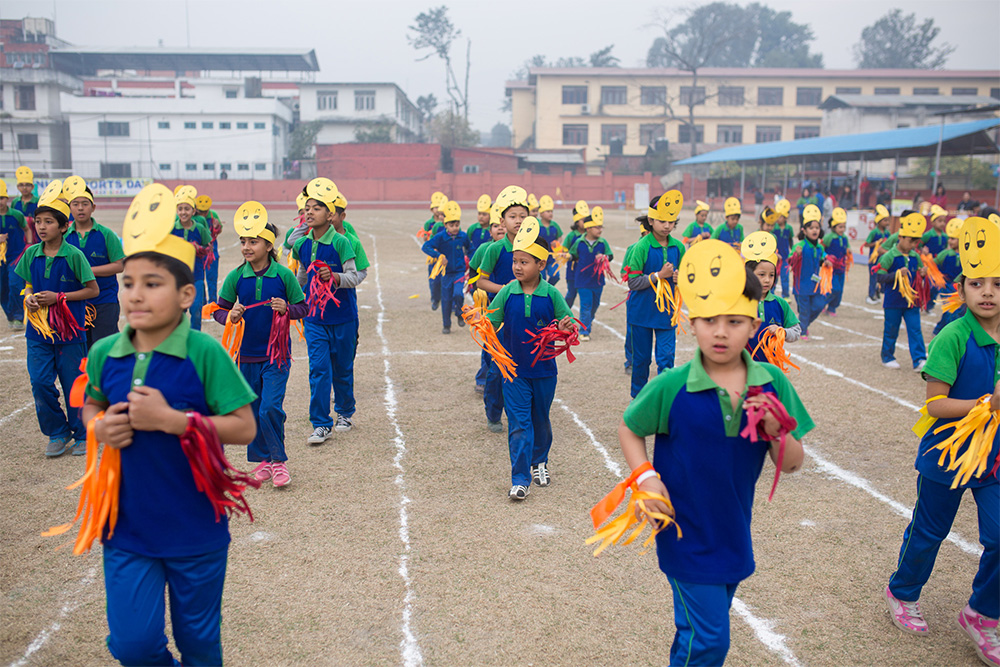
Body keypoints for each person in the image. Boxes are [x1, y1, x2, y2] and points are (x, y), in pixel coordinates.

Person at [81, 183, 257, 665]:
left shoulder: (204, 352)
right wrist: (99, 428)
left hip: (195, 528)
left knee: (199, 643)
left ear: (185, 295)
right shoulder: (105, 352)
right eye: (128, 283)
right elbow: (92, 406)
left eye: (152, 284)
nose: (136, 295)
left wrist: (175, 421)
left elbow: (244, 427)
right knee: (133, 646)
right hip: (127, 529)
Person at [617, 239, 812, 666]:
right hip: (684, 535)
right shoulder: (672, 386)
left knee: (697, 633)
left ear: (755, 323)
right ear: (692, 323)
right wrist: (646, 478)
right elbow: (630, 428)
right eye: (709, 320)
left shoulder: (772, 384)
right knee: (710, 641)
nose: (721, 332)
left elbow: (793, 464)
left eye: (734, 321)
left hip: (733, 533)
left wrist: (778, 432)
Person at [884, 215, 999, 666]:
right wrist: (987, 403)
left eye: (997, 283)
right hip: (947, 454)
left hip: (993, 458)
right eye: (977, 283)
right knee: (930, 532)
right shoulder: (953, 336)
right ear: (962, 288)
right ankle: (902, 592)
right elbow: (935, 405)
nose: (987, 292)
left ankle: (982, 613)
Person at [213, 207, 306, 488]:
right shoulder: (236, 277)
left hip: (277, 355)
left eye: (253, 242)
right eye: (243, 241)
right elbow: (218, 310)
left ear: (268, 245)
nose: (246, 247)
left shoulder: (283, 275)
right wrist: (230, 316)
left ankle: (279, 461)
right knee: (253, 410)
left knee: (270, 407)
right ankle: (263, 459)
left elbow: (303, 307)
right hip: (246, 357)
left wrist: (287, 309)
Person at [484, 221, 575, 500]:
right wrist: (482, 324)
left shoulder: (552, 294)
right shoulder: (507, 292)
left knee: (540, 419)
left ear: (541, 264)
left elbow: (568, 324)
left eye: (524, 262)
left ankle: (540, 462)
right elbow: (491, 323)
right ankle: (520, 478)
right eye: (515, 261)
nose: (517, 267)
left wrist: (566, 327)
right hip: (514, 372)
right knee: (519, 424)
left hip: (545, 371)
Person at [16, 183, 98, 457]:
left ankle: (83, 433)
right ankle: (57, 432)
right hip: (38, 331)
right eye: (39, 221)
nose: (41, 227)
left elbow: (92, 290)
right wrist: (28, 296)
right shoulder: (31, 253)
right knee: (40, 382)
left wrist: (59, 297)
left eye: (49, 222)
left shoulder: (74, 255)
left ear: (64, 227)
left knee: (74, 382)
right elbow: (28, 283)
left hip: (70, 331)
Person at [292, 178, 362, 444]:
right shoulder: (302, 245)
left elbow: (354, 277)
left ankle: (344, 411)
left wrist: (334, 277)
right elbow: (301, 277)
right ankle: (321, 423)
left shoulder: (342, 242)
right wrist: (292, 299)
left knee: (342, 368)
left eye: (317, 208)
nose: (309, 212)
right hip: (314, 319)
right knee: (319, 369)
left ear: (330, 214)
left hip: (343, 317)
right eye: (307, 208)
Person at [474, 186, 530, 432]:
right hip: (498, 319)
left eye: (523, 216)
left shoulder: (533, 247)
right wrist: (505, 289)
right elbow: (481, 282)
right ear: (502, 220)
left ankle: (521, 411)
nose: (518, 221)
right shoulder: (494, 249)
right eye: (512, 216)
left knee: (524, 366)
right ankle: (494, 413)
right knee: (496, 370)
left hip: (526, 318)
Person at [622, 192, 685, 398]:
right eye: (662, 221)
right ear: (651, 221)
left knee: (666, 358)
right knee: (641, 360)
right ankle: (638, 399)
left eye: (671, 222)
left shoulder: (679, 247)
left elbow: (687, 278)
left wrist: (680, 278)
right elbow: (633, 282)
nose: (667, 226)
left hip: (666, 314)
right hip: (641, 313)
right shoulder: (642, 246)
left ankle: (663, 399)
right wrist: (659, 275)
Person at [62, 177, 125, 348]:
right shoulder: (64, 237)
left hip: (104, 300)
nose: (80, 208)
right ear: (69, 208)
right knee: (81, 348)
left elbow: (119, 265)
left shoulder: (106, 234)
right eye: (75, 204)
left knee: (105, 347)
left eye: (85, 204)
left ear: (93, 207)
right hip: (74, 301)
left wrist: (89, 271)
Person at [876, 211, 928, 370]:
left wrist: (922, 274)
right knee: (891, 329)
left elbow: (918, 275)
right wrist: (896, 274)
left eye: (916, 242)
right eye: (911, 241)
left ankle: (919, 359)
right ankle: (887, 357)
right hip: (893, 301)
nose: (913, 245)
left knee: (915, 329)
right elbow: (880, 277)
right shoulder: (889, 256)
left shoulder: (915, 256)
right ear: (901, 237)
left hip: (912, 300)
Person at [741, 232, 801, 362]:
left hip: (772, 366)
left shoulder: (780, 303)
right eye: (761, 275)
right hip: (744, 366)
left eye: (771, 275)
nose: (767, 280)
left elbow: (796, 331)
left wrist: (782, 332)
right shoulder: (740, 302)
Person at [468, 208, 506, 395]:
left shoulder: (516, 248)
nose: (500, 229)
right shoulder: (484, 249)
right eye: (495, 226)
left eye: (502, 225)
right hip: (489, 304)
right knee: (489, 342)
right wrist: (476, 291)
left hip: (510, 303)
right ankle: (483, 379)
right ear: (490, 230)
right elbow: (473, 270)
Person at [422, 200, 471, 334]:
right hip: (446, 274)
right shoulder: (440, 237)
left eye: (457, 225)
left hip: (459, 272)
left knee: (458, 294)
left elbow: (470, 249)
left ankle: (459, 313)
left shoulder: (463, 236)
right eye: (451, 225)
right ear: (445, 225)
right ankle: (446, 325)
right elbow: (426, 246)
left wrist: (471, 261)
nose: (455, 228)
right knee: (446, 299)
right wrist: (438, 256)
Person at [568, 205, 613, 342]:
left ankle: (587, 321)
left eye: (601, 227)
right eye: (597, 227)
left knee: (594, 305)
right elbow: (573, 255)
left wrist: (605, 257)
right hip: (582, 281)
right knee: (586, 305)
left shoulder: (603, 243)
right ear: (588, 228)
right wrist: (567, 256)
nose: (600, 230)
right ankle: (584, 331)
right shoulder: (579, 242)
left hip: (597, 281)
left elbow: (610, 256)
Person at [171, 187, 212, 332]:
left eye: (187, 209)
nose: (183, 212)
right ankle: (178, 335)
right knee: (177, 310)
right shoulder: (171, 228)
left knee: (196, 309)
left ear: (193, 211)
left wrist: (199, 248)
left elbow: (209, 247)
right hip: (176, 276)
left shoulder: (199, 229)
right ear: (177, 211)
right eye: (180, 209)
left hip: (197, 276)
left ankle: (195, 336)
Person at [789, 205, 830, 341]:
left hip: (815, 285)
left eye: (817, 228)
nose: (814, 230)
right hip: (801, 286)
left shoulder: (819, 248)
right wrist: (796, 255)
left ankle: (802, 325)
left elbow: (823, 258)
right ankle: (802, 331)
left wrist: (827, 262)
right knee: (804, 310)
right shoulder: (799, 246)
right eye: (811, 228)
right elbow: (790, 261)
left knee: (819, 305)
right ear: (804, 230)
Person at [0, 181, 28, 330]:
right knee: (2, 289)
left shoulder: (17, 215)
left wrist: (29, 244)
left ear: (7, 198)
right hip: (0, 260)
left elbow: (27, 228)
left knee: (15, 284)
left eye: (1, 198)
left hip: (15, 257)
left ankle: (18, 316)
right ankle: (10, 315)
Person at [930, 218, 965, 336]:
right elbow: (932, 264)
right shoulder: (945, 254)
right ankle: (947, 332)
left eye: (953, 238)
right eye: (949, 238)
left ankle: (939, 329)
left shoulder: (966, 255)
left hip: (959, 287)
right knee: (951, 310)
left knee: (957, 310)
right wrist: (938, 277)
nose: (950, 241)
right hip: (947, 286)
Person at [821, 207, 850, 317]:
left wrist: (849, 252)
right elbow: (820, 248)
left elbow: (847, 248)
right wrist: (826, 257)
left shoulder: (845, 238)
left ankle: (832, 308)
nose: (842, 229)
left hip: (841, 268)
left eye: (844, 227)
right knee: (834, 288)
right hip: (831, 269)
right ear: (833, 227)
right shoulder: (829, 237)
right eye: (840, 227)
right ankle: (822, 302)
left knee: (840, 291)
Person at [195, 195, 222, 305]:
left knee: (212, 278)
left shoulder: (213, 215)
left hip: (212, 250)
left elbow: (219, 229)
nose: (203, 214)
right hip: (199, 251)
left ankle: (212, 303)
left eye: (205, 211)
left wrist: (217, 227)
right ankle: (203, 303)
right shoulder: (194, 218)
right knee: (199, 279)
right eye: (200, 211)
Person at [422, 191, 447, 310]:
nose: (437, 210)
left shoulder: (450, 224)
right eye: (435, 207)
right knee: (434, 280)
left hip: (446, 256)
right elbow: (427, 239)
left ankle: (448, 301)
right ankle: (435, 299)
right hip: (434, 256)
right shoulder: (430, 224)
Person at [862, 205, 892, 304]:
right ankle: (871, 295)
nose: (887, 223)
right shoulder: (874, 232)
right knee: (873, 278)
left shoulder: (887, 233)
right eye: (885, 220)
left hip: (883, 259)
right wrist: (876, 243)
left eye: (888, 220)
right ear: (878, 221)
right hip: (874, 259)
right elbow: (866, 244)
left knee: (883, 277)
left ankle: (878, 291)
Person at [563, 202, 587, 308]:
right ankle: (563, 312)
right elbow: (563, 250)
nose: (585, 222)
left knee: (585, 297)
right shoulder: (571, 236)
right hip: (572, 271)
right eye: (583, 220)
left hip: (586, 272)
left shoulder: (589, 235)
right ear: (577, 221)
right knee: (571, 294)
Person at [537, 195, 563, 285]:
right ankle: (543, 288)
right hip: (540, 257)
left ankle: (548, 287)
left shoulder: (555, 225)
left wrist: (558, 242)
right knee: (542, 278)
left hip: (552, 257)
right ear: (541, 213)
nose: (550, 213)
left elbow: (560, 236)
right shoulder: (537, 225)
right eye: (548, 211)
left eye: (551, 211)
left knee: (555, 275)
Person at [772, 199, 794, 299]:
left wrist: (792, 253)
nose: (778, 218)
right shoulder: (773, 228)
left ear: (785, 217)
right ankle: (771, 294)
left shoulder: (789, 228)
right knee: (774, 277)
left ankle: (785, 296)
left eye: (780, 216)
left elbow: (790, 241)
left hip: (785, 258)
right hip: (775, 258)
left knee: (785, 278)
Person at [12, 165, 39, 243]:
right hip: (19, 236)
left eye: (27, 185)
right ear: (18, 187)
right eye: (21, 185)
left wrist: (29, 220)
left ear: (32, 187)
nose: (24, 188)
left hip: (36, 236)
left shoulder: (38, 201)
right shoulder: (15, 202)